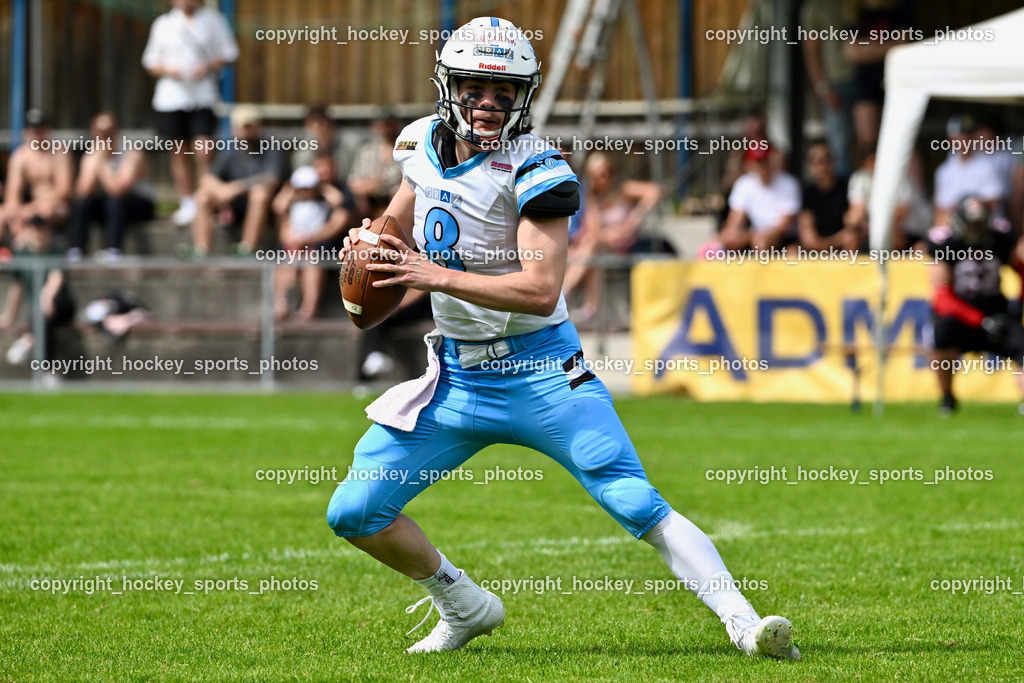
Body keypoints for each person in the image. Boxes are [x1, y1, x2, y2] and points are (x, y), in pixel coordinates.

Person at [329, 17, 800, 660]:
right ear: (448, 87)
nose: (490, 103)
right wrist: (372, 246)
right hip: (459, 377)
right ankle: (463, 603)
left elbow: (539, 290)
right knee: (354, 512)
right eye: (475, 87)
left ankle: (744, 623)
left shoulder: (537, 167)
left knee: (635, 499)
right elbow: (397, 223)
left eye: (505, 91)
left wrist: (431, 273)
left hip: (541, 372)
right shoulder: (418, 145)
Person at [142, 0, 239, 227]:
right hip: (171, 97)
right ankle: (187, 202)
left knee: (204, 149)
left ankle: (206, 197)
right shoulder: (163, 24)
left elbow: (229, 53)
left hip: (202, 95)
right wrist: (170, 70)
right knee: (178, 151)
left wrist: (207, 67)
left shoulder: (214, 21)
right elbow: (150, 61)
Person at [925, 195, 1024, 415]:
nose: (976, 228)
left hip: (996, 314)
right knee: (941, 333)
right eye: (972, 222)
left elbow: (1022, 269)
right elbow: (942, 298)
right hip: (962, 318)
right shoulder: (945, 244)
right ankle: (947, 398)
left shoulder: (999, 239)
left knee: (1022, 344)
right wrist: (979, 320)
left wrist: (1020, 304)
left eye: (980, 222)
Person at [562, 151, 662, 323]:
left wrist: (636, 216)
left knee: (588, 248)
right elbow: (595, 232)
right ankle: (584, 303)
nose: (602, 179)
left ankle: (566, 295)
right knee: (590, 249)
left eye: (604, 173)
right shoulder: (591, 198)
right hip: (605, 246)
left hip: (628, 246)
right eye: (596, 175)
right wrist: (616, 231)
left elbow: (654, 191)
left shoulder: (622, 189)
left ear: (611, 172)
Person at [188, 105, 288, 257]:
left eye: (249, 126)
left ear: (258, 126)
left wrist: (236, 188)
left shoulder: (272, 148)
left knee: (259, 194)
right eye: (241, 127)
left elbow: (272, 179)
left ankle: (247, 248)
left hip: (267, 207)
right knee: (202, 196)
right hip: (235, 204)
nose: (245, 131)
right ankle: (201, 250)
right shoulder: (230, 150)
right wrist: (222, 189)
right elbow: (208, 177)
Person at [270, 159, 353, 321]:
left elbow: (338, 200)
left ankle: (308, 308)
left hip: (314, 248)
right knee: (287, 262)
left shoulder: (324, 201)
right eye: (302, 188)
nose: (305, 192)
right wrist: (290, 189)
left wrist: (322, 187)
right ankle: (282, 303)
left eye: (309, 188)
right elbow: (278, 207)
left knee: (312, 263)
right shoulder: (292, 203)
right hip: (294, 246)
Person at [67, 112, 156, 261]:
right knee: (82, 205)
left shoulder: (132, 153)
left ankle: (114, 250)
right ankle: (77, 249)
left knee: (115, 202)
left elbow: (118, 190)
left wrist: (101, 164)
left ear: (117, 131)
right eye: (99, 132)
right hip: (110, 204)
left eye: (108, 132)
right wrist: (95, 160)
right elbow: (83, 191)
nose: (104, 136)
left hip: (139, 204)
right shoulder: (91, 154)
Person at [801, 0, 856, 177]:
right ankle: (841, 198)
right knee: (839, 147)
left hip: (863, 80)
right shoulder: (815, 7)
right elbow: (811, 49)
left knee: (867, 143)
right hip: (835, 83)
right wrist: (823, 88)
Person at [2, 110, 73, 239]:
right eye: (33, 129)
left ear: (48, 129)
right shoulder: (20, 157)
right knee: (3, 215)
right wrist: (16, 211)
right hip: (31, 206)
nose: (37, 133)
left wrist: (34, 208)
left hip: (56, 205)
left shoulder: (59, 153)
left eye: (40, 128)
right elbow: (12, 193)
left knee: (47, 212)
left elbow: (64, 189)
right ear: (26, 130)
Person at [720, 144, 801, 253]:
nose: (763, 166)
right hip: (755, 236)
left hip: (784, 238)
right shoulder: (744, 183)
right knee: (722, 240)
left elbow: (783, 227)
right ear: (750, 164)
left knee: (762, 243)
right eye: (759, 162)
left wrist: (751, 236)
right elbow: (734, 221)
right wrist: (732, 235)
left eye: (766, 161)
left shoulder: (789, 183)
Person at [933, 116, 1006, 227]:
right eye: (960, 136)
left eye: (968, 136)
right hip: (953, 228)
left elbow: (993, 202)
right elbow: (940, 209)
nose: (965, 140)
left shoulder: (988, 165)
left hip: (982, 227)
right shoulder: (943, 171)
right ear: (951, 137)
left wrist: (967, 209)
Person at [798, 140, 854, 253]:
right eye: (817, 161)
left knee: (852, 239)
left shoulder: (848, 188)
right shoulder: (807, 193)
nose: (822, 166)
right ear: (809, 166)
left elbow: (853, 227)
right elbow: (809, 240)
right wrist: (835, 241)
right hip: (819, 249)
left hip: (843, 250)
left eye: (825, 159)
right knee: (792, 252)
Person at [347, 110, 404, 218]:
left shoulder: (404, 149)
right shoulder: (366, 150)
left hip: (392, 199)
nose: (383, 127)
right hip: (368, 201)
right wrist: (368, 185)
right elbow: (353, 183)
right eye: (379, 124)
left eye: (388, 124)